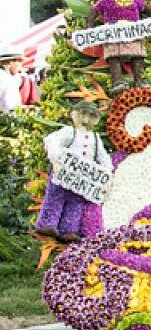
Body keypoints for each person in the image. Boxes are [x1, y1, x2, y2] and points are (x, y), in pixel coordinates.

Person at [35, 101, 112, 241]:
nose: (86, 118)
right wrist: (56, 159)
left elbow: (103, 158)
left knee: (76, 204)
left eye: (91, 115)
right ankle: (47, 223)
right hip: (62, 173)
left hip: (82, 180)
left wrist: (107, 176)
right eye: (83, 114)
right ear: (75, 115)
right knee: (55, 198)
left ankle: (69, 230)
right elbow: (53, 142)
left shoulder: (95, 138)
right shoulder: (69, 132)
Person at [91, 0, 151, 92]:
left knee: (137, 56)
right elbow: (93, 12)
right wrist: (89, 26)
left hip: (133, 34)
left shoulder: (136, 0)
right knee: (113, 57)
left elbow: (149, 10)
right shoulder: (106, 0)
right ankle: (117, 81)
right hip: (113, 35)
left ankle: (139, 80)